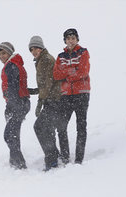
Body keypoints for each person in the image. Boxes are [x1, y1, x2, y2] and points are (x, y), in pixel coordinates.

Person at [53, 28, 91, 164]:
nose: (71, 40)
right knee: (61, 127)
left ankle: (79, 159)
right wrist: (72, 71)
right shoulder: (60, 56)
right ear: (65, 40)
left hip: (81, 94)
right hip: (66, 95)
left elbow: (83, 71)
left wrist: (67, 75)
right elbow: (56, 74)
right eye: (68, 38)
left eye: (73, 38)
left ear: (77, 39)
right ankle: (65, 157)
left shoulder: (83, 52)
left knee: (81, 126)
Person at [28, 35, 62, 171]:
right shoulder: (41, 60)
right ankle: (54, 155)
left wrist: (39, 104)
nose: (34, 51)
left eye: (36, 48)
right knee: (46, 128)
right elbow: (45, 85)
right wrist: (34, 91)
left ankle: (52, 159)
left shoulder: (46, 60)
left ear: (41, 48)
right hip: (52, 99)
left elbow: (48, 84)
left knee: (39, 127)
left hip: (54, 100)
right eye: (31, 49)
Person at [0, 42, 31, 169]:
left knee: (9, 135)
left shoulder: (11, 66)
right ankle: (15, 162)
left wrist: (12, 105)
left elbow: (13, 87)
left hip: (18, 104)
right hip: (19, 103)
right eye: (0, 54)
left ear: (10, 53)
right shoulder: (14, 64)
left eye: (4, 53)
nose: (1, 56)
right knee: (13, 134)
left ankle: (19, 164)